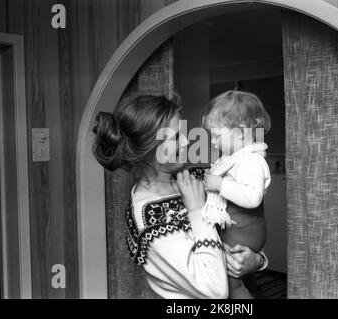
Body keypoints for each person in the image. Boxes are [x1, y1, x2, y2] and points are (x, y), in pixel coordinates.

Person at [92, 92, 267, 299]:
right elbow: (214, 290)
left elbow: (245, 226)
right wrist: (195, 210)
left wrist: (257, 261)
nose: (186, 142)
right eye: (176, 137)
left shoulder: (201, 176)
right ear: (150, 149)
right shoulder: (148, 217)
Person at [200, 90, 272, 299]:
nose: (212, 142)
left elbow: (252, 197)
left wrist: (219, 184)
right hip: (237, 230)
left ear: (240, 132)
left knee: (231, 286)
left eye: (216, 135)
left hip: (243, 233)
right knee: (241, 280)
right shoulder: (234, 159)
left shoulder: (251, 160)